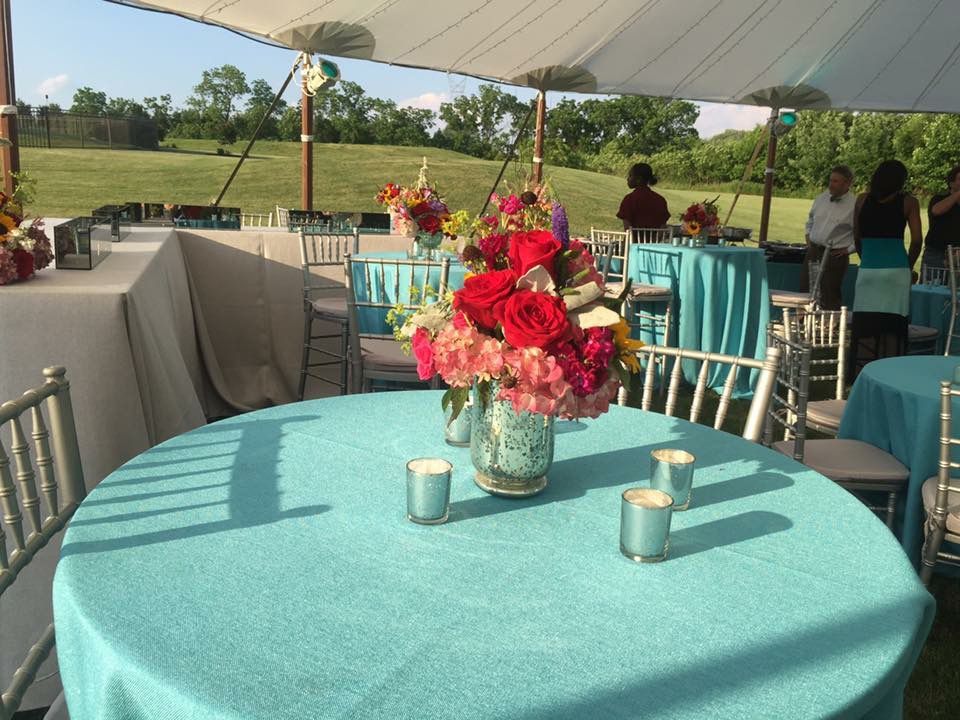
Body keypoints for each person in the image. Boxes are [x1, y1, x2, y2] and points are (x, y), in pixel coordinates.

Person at [849, 159, 922, 380]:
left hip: (869, 268)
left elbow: (856, 235)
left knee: (865, 323)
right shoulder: (909, 202)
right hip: (897, 269)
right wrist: (908, 265)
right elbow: (917, 239)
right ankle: (892, 371)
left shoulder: (862, 200)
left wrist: (867, 258)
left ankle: (861, 371)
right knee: (894, 323)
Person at [800, 165, 856, 310]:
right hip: (813, 250)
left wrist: (849, 249)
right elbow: (811, 219)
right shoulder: (822, 198)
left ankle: (829, 327)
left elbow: (862, 232)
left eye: (836, 181)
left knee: (829, 293)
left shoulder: (854, 205)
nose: (831, 184)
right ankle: (802, 324)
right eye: (830, 180)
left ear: (847, 183)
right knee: (805, 289)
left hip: (834, 255)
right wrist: (808, 236)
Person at [921, 164, 960, 272]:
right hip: (936, 255)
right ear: (951, 183)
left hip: (958, 256)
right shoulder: (938, 199)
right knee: (930, 287)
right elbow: (936, 210)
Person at [617, 163, 670, 230]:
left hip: (633, 240)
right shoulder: (660, 200)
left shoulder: (629, 199)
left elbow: (628, 230)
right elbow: (662, 227)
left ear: (639, 179)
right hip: (655, 240)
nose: (627, 179)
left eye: (630, 176)